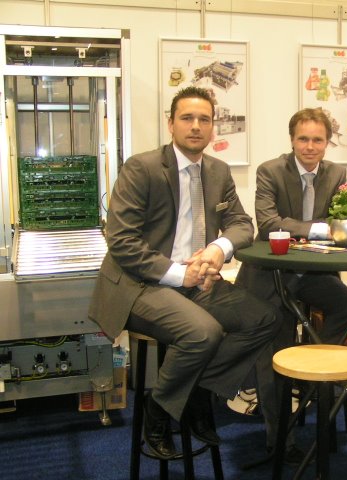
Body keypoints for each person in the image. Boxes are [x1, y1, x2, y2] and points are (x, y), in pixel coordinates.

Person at [88, 86, 281, 459]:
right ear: (171, 124)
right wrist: (179, 275)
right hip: (140, 284)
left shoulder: (218, 171)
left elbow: (242, 224)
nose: (196, 126)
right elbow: (122, 242)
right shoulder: (142, 168)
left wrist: (217, 248)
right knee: (202, 332)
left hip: (199, 280)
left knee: (264, 318)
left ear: (212, 127)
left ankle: (194, 393)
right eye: (187, 118)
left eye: (204, 119)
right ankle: (158, 410)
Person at [235, 108, 347, 459]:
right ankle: (280, 441)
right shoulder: (270, 170)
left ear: (327, 142)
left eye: (317, 140)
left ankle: (313, 372)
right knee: (275, 352)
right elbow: (268, 224)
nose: (310, 146)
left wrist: (337, 226)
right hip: (270, 276)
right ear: (291, 140)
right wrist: (320, 228)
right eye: (303, 139)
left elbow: (343, 220)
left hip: (312, 273)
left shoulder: (336, 173)